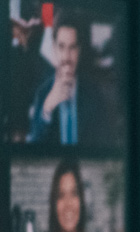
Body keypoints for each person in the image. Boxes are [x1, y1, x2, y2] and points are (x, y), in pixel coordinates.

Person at [26, 14, 112, 146]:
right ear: (54, 48)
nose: (66, 57)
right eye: (61, 47)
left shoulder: (94, 94)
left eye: (72, 47)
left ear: (79, 51)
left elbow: (103, 145)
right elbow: (33, 149)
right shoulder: (42, 93)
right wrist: (47, 109)